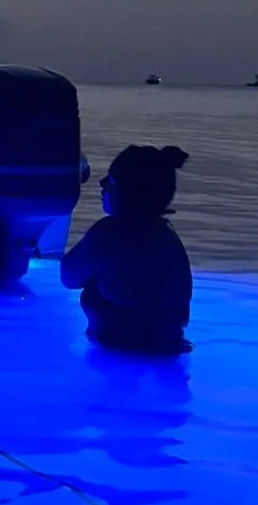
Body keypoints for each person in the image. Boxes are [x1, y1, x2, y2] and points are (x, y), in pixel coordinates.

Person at [60, 144, 192, 353]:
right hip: (167, 354)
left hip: (113, 356)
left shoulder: (108, 235)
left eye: (111, 180)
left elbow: (68, 277)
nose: (102, 184)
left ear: (130, 192)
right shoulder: (170, 242)